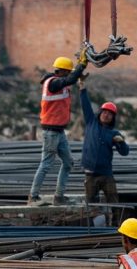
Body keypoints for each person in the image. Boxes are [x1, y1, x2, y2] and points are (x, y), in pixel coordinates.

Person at [28, 55, 86, 206]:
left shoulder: (59, 82)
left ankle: (59, 197)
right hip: (50, 132)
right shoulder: (53, 83)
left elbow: (70, 80)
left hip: (59, 131)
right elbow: (69, 80)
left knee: (68, 163)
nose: (68, 75)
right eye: (67, 72)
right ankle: (33, 196)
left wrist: (79, 73)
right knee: (46, 163)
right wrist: (81, 65)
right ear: (60, 72)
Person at [79, 75, 129, 222]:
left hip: (106, 175)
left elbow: (125, 152)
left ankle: (117, 226)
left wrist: (121, 142)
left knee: (114, 202)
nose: (106, 115)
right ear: (100, 113)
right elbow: (85, 104)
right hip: (90, 174)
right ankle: (90, 230)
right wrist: (82, 87)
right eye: (105, 112)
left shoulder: (114, 133)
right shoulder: (91, 122)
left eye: (110, 114)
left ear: (113, 118)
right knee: (91, 206)